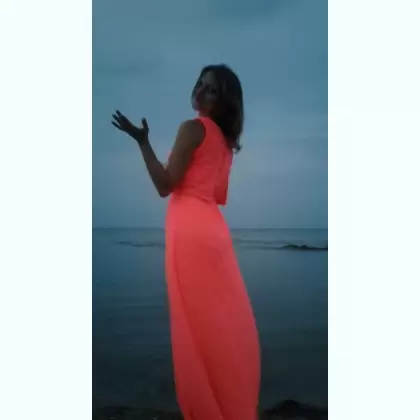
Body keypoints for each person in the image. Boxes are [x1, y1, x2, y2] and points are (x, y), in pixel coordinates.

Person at [111, 64, 260, 420]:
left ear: (223, 102)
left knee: (193, 326)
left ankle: (207, 408)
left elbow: (166, 185)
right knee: (219, 323)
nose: (200, 91)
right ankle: (231, 405)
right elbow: (217, 194)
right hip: (214, 231)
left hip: (189, 231)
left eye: (211, 89)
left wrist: (143, 142)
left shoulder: (192, 128)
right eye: (200, 83)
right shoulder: (226, 144)